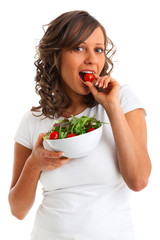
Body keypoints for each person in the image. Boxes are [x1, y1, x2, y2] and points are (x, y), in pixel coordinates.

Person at [8, 10, 151, 240]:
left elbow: (139, 181)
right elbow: (17, 210)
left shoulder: (122, 101)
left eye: (98, 49)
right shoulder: (33, 121)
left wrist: (112, 108)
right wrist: (34, 164)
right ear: (56, 56)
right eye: (79, 48)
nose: (92, 59)